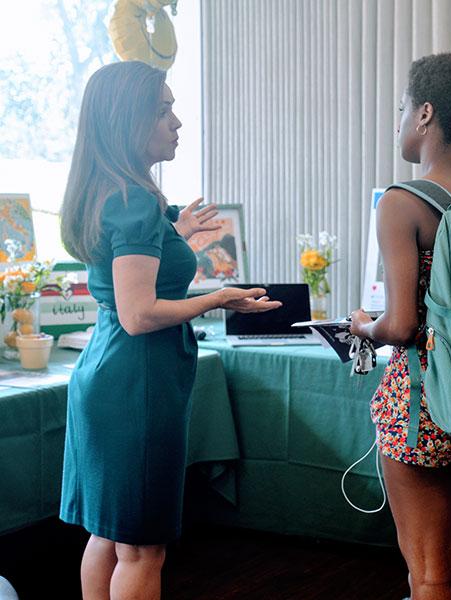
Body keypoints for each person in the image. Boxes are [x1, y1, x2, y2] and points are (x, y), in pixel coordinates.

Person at [59, 61, 280, 600]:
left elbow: (128, 281)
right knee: (142, 547)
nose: (176, 122)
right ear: (126, 122)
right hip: (136, 383)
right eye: (162, 110)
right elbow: (139, 315)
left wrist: (172, 235)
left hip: (109, 375)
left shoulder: (116, 193)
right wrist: (219, 298)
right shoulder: (134, 201)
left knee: (110, 537)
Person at [349, 53, 451, 600]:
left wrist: (362, 325)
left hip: (422, 404)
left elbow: (400, 325)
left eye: (401, 108)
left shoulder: (403, 202)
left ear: (424, 114)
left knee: (428, 573)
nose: (398, 120)